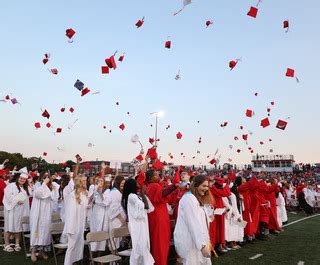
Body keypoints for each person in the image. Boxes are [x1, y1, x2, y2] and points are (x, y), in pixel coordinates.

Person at [174, 175, 213, 265]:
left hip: (197, 241)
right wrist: (202, 245)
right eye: (203, 186)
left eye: (207, 186)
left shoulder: (196, 198)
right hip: (190, 241)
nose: (206, 189)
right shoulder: (189, 199)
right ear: (195, 185)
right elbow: (193, 224)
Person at [146, 168, 178, 265]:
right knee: (160, 243)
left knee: (160, 242)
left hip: (159, 216)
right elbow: (162, 194)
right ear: (151, 178)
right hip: (158, 217)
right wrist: (173, 187)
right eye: (156, 174)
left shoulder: (153, 186)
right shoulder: (154, 185)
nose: (158, 176)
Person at [121, 178, 154, 265]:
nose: (138, 183)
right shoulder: (131, 196)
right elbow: (145, 206)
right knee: (139, 247)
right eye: (136, 183)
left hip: (141, 224)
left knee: (143, 246)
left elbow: (150, 208)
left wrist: (142, 194)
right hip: (136, 225)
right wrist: (143, 194)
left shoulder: (137, 195)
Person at [63, 156, 89, 265]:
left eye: (85, 181)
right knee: (72, 246)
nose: (85, 182)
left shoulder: (84, 193)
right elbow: (70, 213)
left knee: (79, 245)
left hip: (80, 224)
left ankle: (76, 262)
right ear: (78, 182)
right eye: (83, 181)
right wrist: (70, 227)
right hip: (73, 225)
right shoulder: (72, 195)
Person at [29, 173, 59, 262]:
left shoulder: (51, 187)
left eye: (48, 177)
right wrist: (44, 184)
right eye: (44, 177)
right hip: (38, 213)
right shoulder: (38, 187)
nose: (46, 178)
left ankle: (42, 250)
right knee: (36, 231)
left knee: (45, 232)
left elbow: (55, 198)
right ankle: (33, 251)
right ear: (41, 178)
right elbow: (39, 194)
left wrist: (54, 190)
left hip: (46, 213)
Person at [3, 169, 32, 252]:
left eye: (24, 179)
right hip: (11, 209)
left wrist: (30, 184)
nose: (22, 180)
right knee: (9, 226)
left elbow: (31, 194)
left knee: (18, 227)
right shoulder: (11, 185)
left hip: (20, 210)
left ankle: (17, 244)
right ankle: (6, 244)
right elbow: (8, 195)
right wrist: (16, 200)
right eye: (21, 178)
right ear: (17, 178)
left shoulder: (25, 187)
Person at [89, 175, 111, 252]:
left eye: (102, 181)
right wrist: (95, 191)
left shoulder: (107, 191)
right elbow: (90, 200)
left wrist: (101, 193)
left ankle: (99, 252)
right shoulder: (94, 189)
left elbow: (106, 202)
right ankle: (93, 250)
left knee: (100, 230)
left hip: (102, 212)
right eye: (99, 181)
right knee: (94, 229)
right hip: (95, 212)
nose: (100, 183)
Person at [109, 175, 126, 249]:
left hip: (120, 221)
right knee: (114, 242)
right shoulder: (115, 193)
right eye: (122, 183)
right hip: (116, 220)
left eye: (124, 184)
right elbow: (113, 208)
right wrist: (121, 219)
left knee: (117, 242)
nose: (123, 185)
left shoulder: (118, 192)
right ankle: (113, 259)